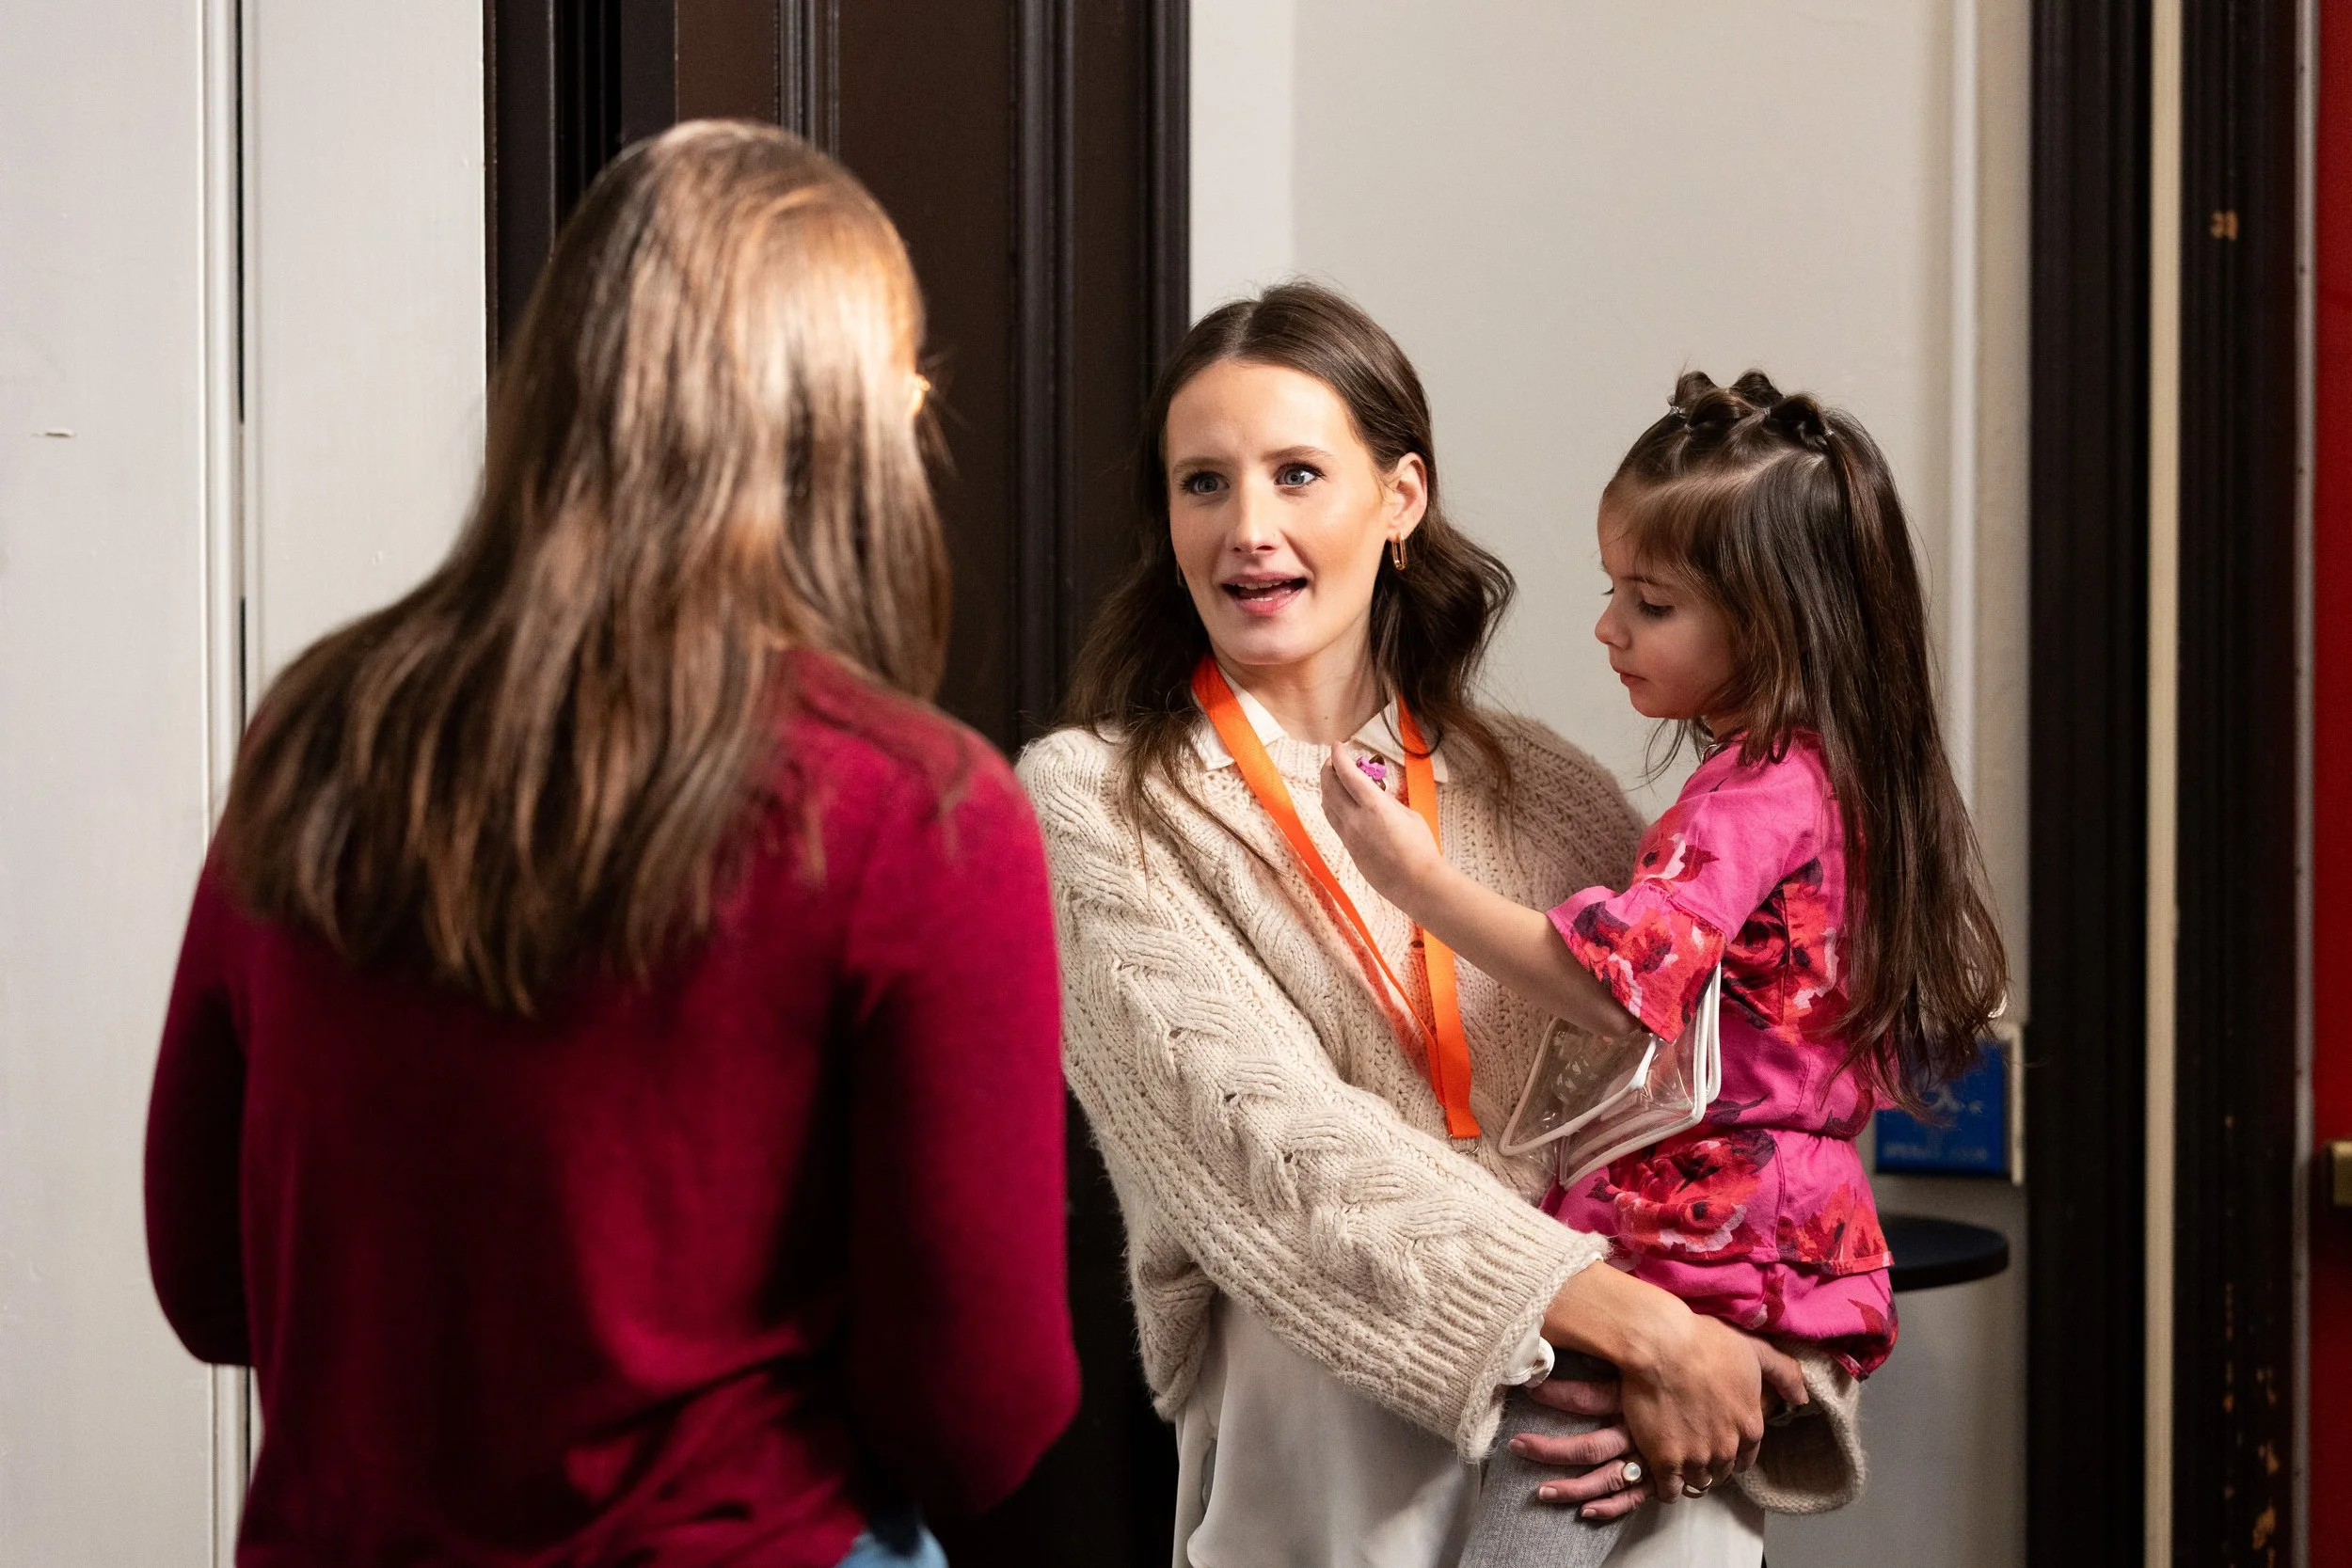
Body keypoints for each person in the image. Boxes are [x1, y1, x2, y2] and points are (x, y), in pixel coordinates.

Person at [143, 122, 1076, 1567]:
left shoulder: (316, 729)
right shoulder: (920, 811)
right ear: (860, 420)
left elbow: (210, 1282)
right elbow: (980, 1411)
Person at [1019, 286, 1864, 1568]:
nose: (1249, 528)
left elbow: (1758, 1093)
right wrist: (1642, 1325)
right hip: (1329, 1487)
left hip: (1636, 1498)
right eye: (1204, 484)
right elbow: (1271, 1153)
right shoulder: (1095, 800)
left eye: (1298, 473)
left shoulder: (1555, 788)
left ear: (1399, 498)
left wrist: (1754, 1368)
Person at [1324, 370, 2010, 1566]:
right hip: (1788, 1241)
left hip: (1692, 1237)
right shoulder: (1853, 783)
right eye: (1613, 593)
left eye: (1648, 601)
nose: (1608, 627)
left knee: (1532, 1508)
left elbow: (1613, 981)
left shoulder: (1752, 797)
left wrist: (1415, 879)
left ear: (1773, 622)